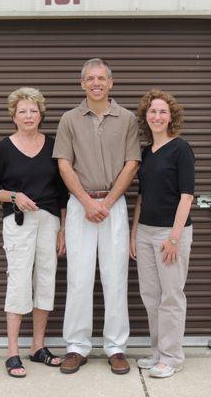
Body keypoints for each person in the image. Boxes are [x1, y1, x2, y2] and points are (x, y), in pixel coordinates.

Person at [53, 58, 141, 375]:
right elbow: (63, 164)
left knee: (115, 278)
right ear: (82, 84)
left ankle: (116, 347)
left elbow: (132, 163)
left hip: (113, 205)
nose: (96, 83)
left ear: (111, 83)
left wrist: (107, 202)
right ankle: (76, 346)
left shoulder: (128, 119)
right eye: (90, 78)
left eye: (101, 78)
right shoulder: (69, 120)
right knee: (78, 277)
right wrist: (87, 202)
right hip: (80, 206)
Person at [0, 87, 68, 378]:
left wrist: (63, 230)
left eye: (33, 110)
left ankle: (38, 347)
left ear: (40, 114)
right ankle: (12, 352)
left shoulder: (53, 146)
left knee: (46, 281)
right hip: (18, 221)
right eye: (23, 111)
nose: (29, 116)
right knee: (19, 282)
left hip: (49, 221)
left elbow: (62, 193)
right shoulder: (4, 148)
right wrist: (15, 196)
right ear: (14, 116)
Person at [130, 89, 195, 378]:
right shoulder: (145, 152)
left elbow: (187, 196)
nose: (157, 116)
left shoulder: (181, 149)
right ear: (146, 117)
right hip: (145, 232)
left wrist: (174, 238)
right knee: (150, 295)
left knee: (171, 296)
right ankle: (157, 352)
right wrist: (134, 234)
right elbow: (141, 197)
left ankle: (171, 357)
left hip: (171, 233)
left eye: (163, 112)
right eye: (153, 111)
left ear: (171, 117)